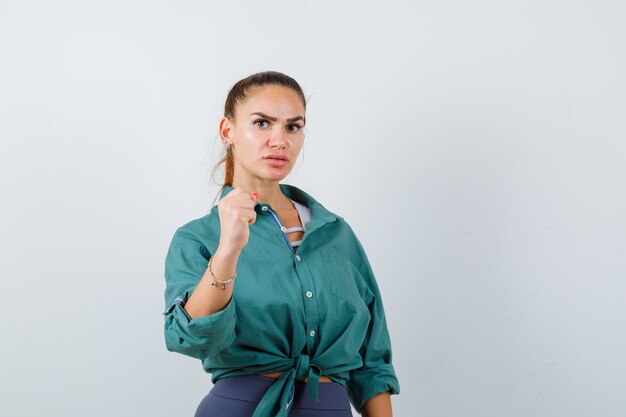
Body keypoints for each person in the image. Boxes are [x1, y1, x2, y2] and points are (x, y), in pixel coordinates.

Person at [162, 71, 400, 417]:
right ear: (227, 130)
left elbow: (372, 361)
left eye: (292, 127)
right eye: (262, 123)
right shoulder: (197, 238)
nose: (279, 140)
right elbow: (192, 339)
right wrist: (228, 249)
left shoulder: (337, 234)